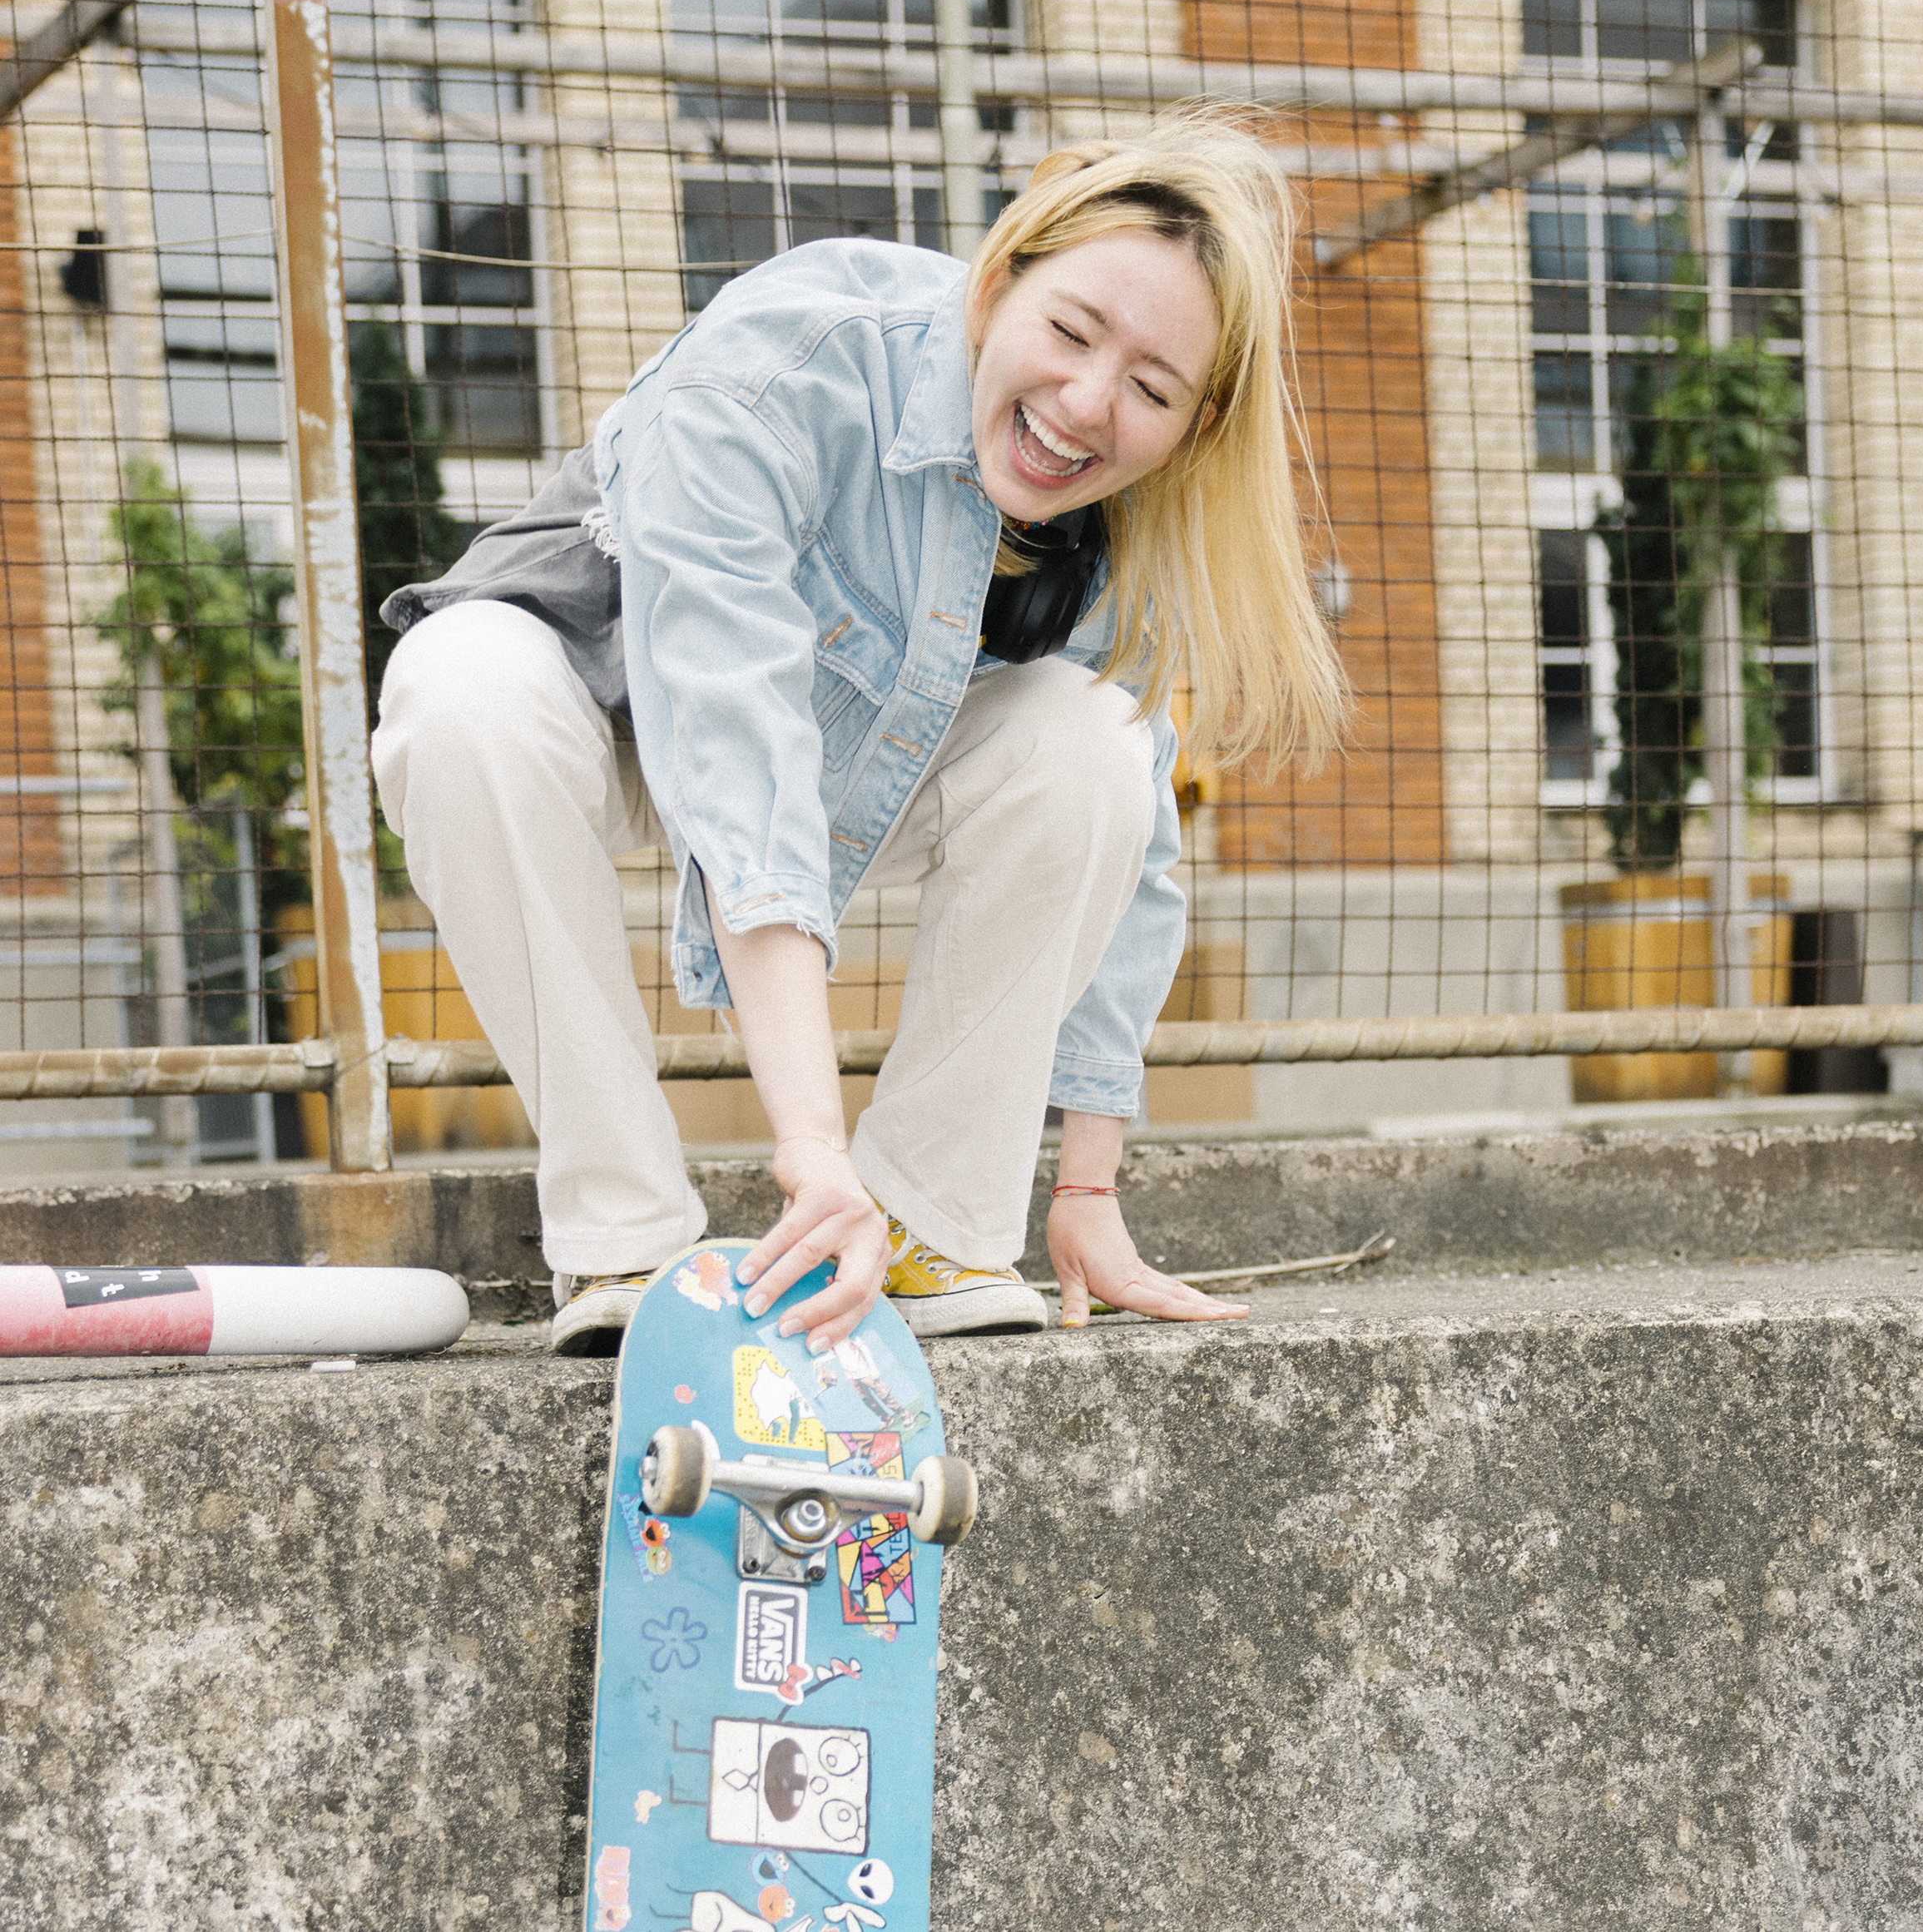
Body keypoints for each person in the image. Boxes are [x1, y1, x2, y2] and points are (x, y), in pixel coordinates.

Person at [371, 112, 1348, 1356]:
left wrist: (1090, 1186)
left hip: (851, 756)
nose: (1086, 404)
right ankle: (628, 1246)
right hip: (601, 690)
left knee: (1094, 738)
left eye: (1153, 390)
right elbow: (737, 742)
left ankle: (927, 1223)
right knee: (455, 685)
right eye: (1067, 332)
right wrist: (808, 1152)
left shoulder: (1135, 525)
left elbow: (1135, 841)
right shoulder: (792, 361)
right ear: (997, 285)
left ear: (1196, 427)